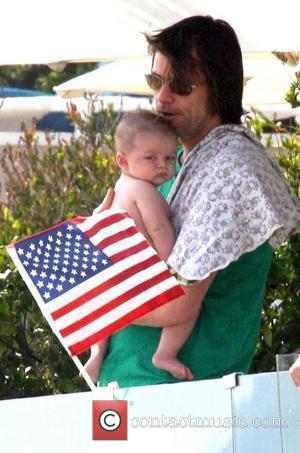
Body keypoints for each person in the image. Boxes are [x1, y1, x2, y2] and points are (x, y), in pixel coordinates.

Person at [96, 15, 300, 388]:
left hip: (184, 399)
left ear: (219, 89)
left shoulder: (231, 169)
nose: (161, 97)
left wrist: (90, 292)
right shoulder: (170, 162)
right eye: (156, 81)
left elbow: (177, 304)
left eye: (181, 85)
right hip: (135, 390)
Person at [84, 110, 195, 383]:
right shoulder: (146, 191)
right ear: (123, 161)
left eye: (169, 157)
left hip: (114, 279)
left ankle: (97, 352)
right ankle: (165, 353)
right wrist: (174, 265)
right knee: (185, 310)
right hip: (140, 276)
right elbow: (159, 228)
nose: (162, 165)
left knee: (102, 312)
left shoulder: (118, 189)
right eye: (151, 158)